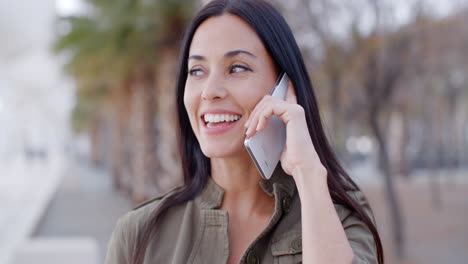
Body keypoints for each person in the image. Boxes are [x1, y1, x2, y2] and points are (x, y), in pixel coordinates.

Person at [105, 0, 384, 263]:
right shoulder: (139, 234)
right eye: (197, 70)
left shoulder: (338, 217)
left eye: (237, 68)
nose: (210, 91)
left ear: (285, 88)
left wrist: (307, 171)